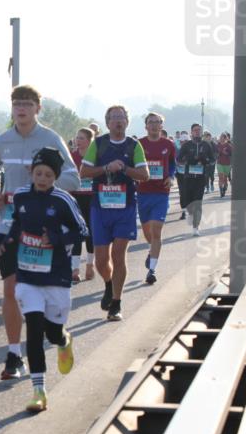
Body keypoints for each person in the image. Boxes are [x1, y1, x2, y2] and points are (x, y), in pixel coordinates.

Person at [0, 85, 80, 379]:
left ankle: (60, 337)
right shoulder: (2, 140)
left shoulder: (50, 139)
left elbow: (73, 178)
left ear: (38, 108)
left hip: (44, 231)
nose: (21, 109)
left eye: (27, 104)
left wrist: (43, 185)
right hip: (9, 224)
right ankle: (14, 354)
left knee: (44, 296)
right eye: (16, 104)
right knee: (11, 288)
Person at [0, 147, 86, 412]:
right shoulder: (22, 195)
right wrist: (7, 240)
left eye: (48, 174)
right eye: (39, 173)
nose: (43, 178)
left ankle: (63, 341)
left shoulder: (63, 200)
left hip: (56, 277)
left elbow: (82, 230)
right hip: (27, 275)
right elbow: (17, 222)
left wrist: (56, 239)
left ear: (55, 177)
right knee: (34, 331)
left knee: (52, 332)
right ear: (31, 173)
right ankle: (39, 390)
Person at [80, 105, 149, 320]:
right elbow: (84, 172)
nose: (118, 121)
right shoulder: (98, 144)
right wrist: (106, 168)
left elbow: (145, 175)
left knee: (119, 254)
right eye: (114, 118)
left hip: (125, 207)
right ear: (107, 122)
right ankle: (108, 285)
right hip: (100, 208)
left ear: (127, 122)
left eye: (122, 118)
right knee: (102, 259)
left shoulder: (133, 145)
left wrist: (125, 169)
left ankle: (117, 303)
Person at [137, 112, 177, 285]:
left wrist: (171, 176)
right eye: (151, 122)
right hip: (143, 192)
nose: (154, 125)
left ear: (162, 125)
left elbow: (172, 163)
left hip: (161, 192)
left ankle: (152, 270)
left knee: (156, 230)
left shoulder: (168, 144)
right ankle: (151, 251)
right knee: (148, 233)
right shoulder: (139, 144)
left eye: (157, 122)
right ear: (146, 126)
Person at [177, 123, 216, 236]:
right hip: (188, 178)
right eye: (195, 130)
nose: (197, 132)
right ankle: (189, 214)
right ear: (191, 132)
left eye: (199, 130)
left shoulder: (206, 145)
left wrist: (206, 161)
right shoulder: (187, 145)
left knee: (198, 203)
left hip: (200, 178)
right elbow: (179, 159)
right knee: (188, 202)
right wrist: (187, 161)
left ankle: (196, 227)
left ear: (201, 132)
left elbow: (213, 160)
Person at [70, 127, 96, 282]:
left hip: (92, 198)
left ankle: (90, 264)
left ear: (89, 140)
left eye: (81, 138)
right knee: (76, 232)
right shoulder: (71, 156)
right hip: (75, 197)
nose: (77, 141)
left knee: (91, 232)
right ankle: (75, 269)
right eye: (77, 138)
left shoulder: (95, 157)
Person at [217, 132, 233, 198]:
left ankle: (224, 188)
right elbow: (215, 153)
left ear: (225, 138)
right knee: (221, 177)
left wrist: (226, 153)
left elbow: (232, 154)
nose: (221, 139)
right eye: (220, 137)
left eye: (222, 138)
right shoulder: (217, 145)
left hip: (227, 164)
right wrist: (219, 153)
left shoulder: (228, 146)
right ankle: (221, 191)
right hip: (219, 163)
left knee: (225, 178)